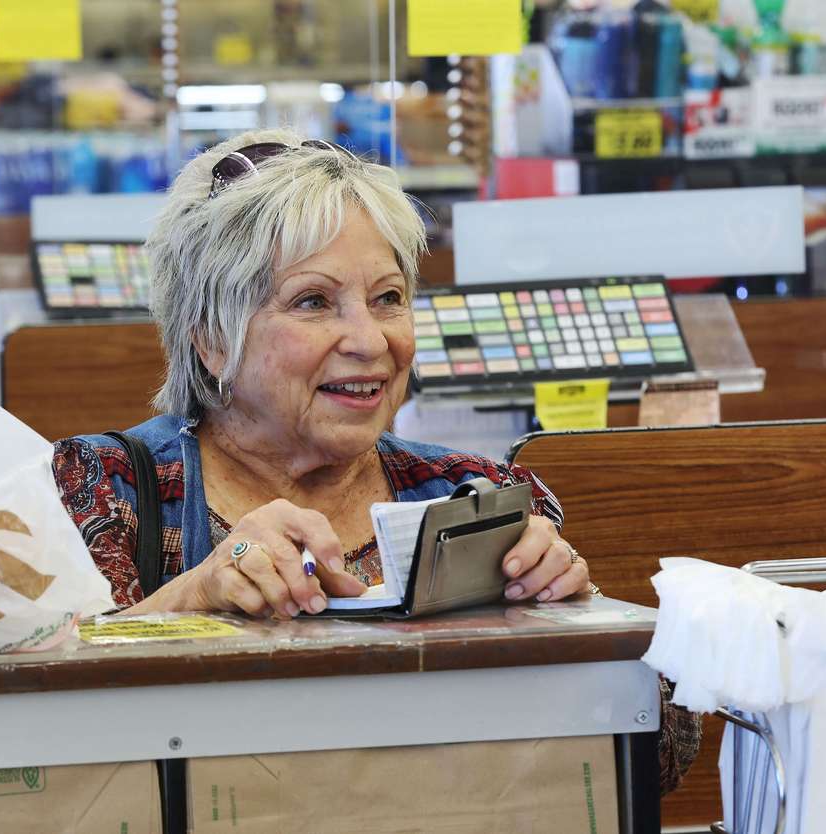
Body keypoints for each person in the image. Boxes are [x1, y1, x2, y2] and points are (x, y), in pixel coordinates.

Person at [51, 127, 697, 792]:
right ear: (214, 339)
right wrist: (194, 596)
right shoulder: (110, 488)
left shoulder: (477, 495)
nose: (370, 339)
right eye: (313, 301)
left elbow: (655, 764)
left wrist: (574, 622)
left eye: (388, 298)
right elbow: (30, 732)